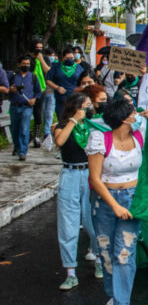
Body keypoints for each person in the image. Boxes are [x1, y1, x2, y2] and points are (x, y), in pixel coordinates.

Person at [86, 98, 148, 305]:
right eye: (133, 110)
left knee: (124, 252)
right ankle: (114, 297)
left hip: (132, 199)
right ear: (125, 118)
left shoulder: (140, 134)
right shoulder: (99, 139)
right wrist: (114, 205)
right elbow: (95, 179)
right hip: (105, 202)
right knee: (106, 252)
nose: (137, 113)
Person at [53, 93, 102, 290]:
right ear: (76, 107)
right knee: (68, 224)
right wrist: (73, 120)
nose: (90, 108)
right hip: (70, 175)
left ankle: (99, 259)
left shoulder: (93, 125)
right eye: (86, 105)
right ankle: (70, 272)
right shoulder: (62, 125)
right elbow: (60, 142)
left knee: (94, 222)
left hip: (90, 175)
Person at [8, 55, 41, 160]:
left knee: (24, 129)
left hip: (27, 107)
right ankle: (17, 147)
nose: (26, 66)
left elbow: (38, 92)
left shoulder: (33, 77)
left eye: (28, 64)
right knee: (15, 130)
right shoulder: (12, 76)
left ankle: (23, 151)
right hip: (14, 106)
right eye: (24, 64)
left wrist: (34, 99)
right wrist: (10, 89)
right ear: (19, 65)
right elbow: (5, 88)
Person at [46, 47, 85, 118]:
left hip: (75, 99)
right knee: (62, 120)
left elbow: (84, 81)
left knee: (74, 121)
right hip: (61, 99)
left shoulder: (79, 68)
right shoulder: (56, 67)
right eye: (67, 58)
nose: (70, 60)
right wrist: (57, 87)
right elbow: (48, 80)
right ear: (63, 58)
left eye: (72, 58)